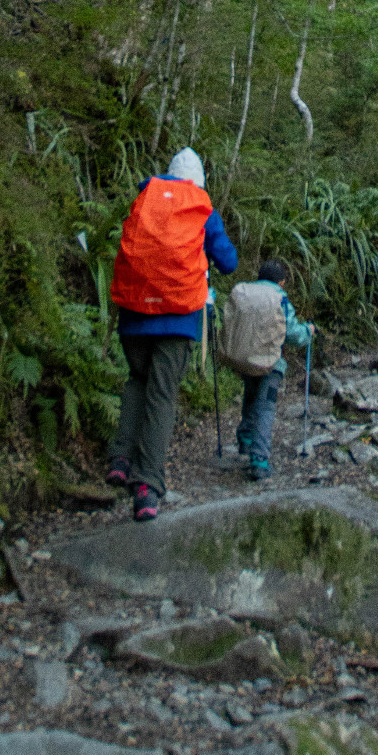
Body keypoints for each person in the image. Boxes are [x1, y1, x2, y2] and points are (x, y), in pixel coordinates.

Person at [107, 146, 237, 521]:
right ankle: (147, 485)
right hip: (178, 316)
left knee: (136, 380)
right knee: (162, 396)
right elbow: (228, 261)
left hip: (134, 312)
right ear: (198, 181)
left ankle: (119, 458)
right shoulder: (200, 205)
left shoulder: (145, 196)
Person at [235, 259, 313, 483]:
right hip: (270, 363)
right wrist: (308, 331)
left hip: (246, 359)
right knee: (266, 407)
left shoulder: (246, 294)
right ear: (282, 281)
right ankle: (259, 460)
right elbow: (292, 334)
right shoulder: (279, 298)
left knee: (250, 398)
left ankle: (246, 440)